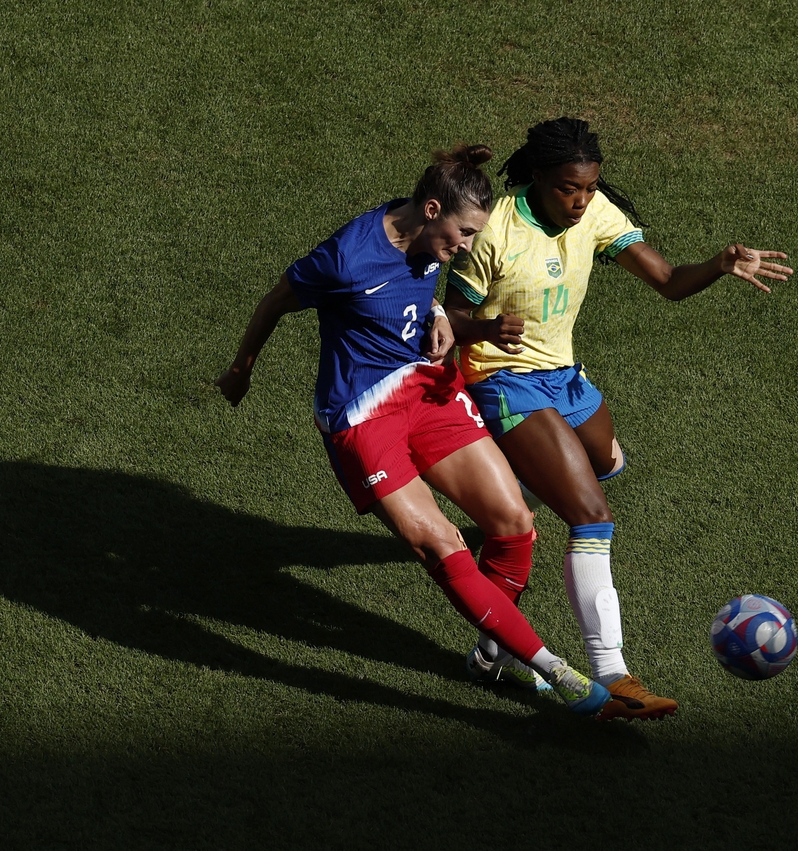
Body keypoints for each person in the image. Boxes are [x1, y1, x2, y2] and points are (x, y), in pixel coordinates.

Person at [216, 143, 611, 716]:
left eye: (475, 235)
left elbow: (419, 289)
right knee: (440, 542)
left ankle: (490, 652)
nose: (467, 249)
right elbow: (277, 299)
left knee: (515, 525)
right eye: (463, 235)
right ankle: (553, 669)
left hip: (425, 391)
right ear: (431, 212)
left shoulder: (427, 228)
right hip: (361, 415)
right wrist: (240, 369)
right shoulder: (346, 260)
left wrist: (444, 321)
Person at [444, 118, 793, 721]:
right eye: (568, 189)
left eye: (589, 188)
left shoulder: (598, 212)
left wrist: (720, 264)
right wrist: (470, 363)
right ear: (538, 178)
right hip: (503, 381)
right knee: (590, 516)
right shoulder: (496, 230)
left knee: (607, 462)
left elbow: (666, 282)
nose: (580, 202)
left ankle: (507, 520)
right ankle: (613, 672)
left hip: (563, 375)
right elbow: (448, 321)